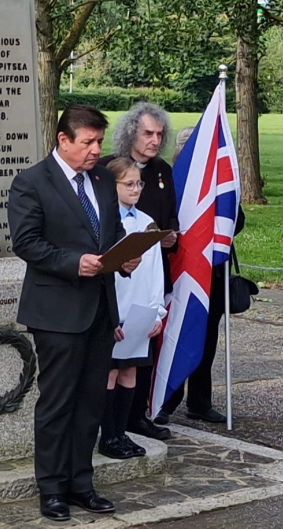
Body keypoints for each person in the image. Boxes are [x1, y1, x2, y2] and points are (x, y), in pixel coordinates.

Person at [8, 105, 141, 522]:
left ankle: (81, 483)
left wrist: (124, 256)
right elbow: (26, 243)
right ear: (63, 140)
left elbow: (112, 232)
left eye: (99, 142)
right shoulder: (31, 182)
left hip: (100, 308)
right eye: (88, 142)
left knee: (90, 403)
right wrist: (73, 262)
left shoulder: (102, 179)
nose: (96, 150)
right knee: (57, 403)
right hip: (57, 311)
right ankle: (51, 490)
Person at [155, 129, 245, 426]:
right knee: (176, 335)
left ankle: (200, 401)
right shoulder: (171, 179)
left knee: (206, 342)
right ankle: (166, 399)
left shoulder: (218, 181)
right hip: (180, 273)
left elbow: (236, 222)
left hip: (213, 275)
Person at [98, 102, 177, 442]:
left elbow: (167, 218)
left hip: (145, 294)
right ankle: (108, 432)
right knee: (109, 370)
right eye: (148, 133)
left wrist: (168, 234)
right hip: (114, 302)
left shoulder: (161, 175)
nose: (155, 140)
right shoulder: (104, 175)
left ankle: (131, 423)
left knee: (135, 365)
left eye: (160, 134)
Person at [98, 158, 167, 460]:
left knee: (130, 373)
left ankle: (121, 433)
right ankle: (107, 435)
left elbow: (155, 271)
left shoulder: (146, 221)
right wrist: (111, 316)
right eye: (129, 183)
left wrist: (157, 312)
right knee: (110, 374)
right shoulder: (105, 221)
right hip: (117, 312)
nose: (136, 188)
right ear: (113, 186)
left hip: (141, 311)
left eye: (139, 183)